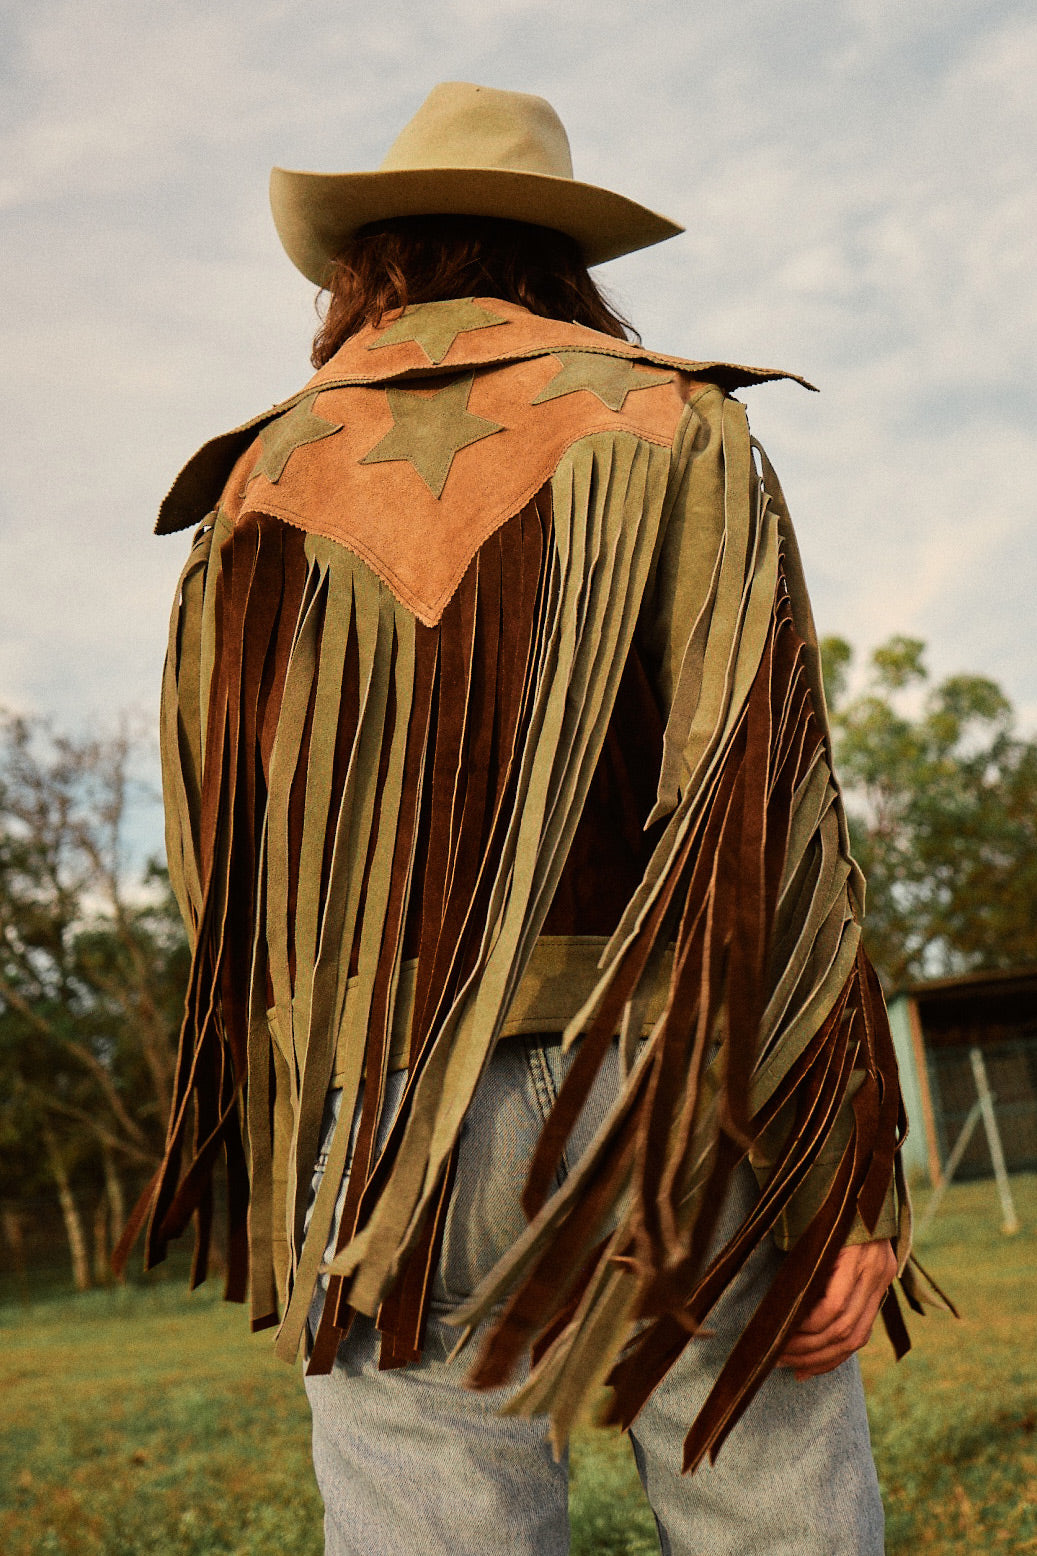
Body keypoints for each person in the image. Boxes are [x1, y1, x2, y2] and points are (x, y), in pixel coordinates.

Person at [123, 81, 945, 1555]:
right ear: (564, 264)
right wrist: (839, 1171)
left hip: (383, 1132)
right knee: (776, 1531)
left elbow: (221, 870)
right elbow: (771, 822)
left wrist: (311, 1123)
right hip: (667, 1089)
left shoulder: (252, 485)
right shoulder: (674, 427)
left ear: (367, 266)